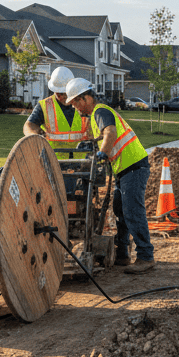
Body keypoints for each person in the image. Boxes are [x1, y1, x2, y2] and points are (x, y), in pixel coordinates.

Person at [64, 78, 155, 274]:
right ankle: (122, 253)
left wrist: (102, 154)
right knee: (120, 209)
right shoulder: (96, 115)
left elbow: (110, 133)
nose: (75, 108)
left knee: (132, 211)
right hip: (125, 168)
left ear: (85, 98)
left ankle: (146, 256)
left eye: (75, 103)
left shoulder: (100, 111)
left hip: (133, 165)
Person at [23, 67, 90, 151]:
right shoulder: (45, 105)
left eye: (64, 93)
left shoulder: (83, 103)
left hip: (82, 160)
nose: (61, 96)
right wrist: (35, 137)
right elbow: (29, 126)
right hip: (54, 160)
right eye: (58, 93)